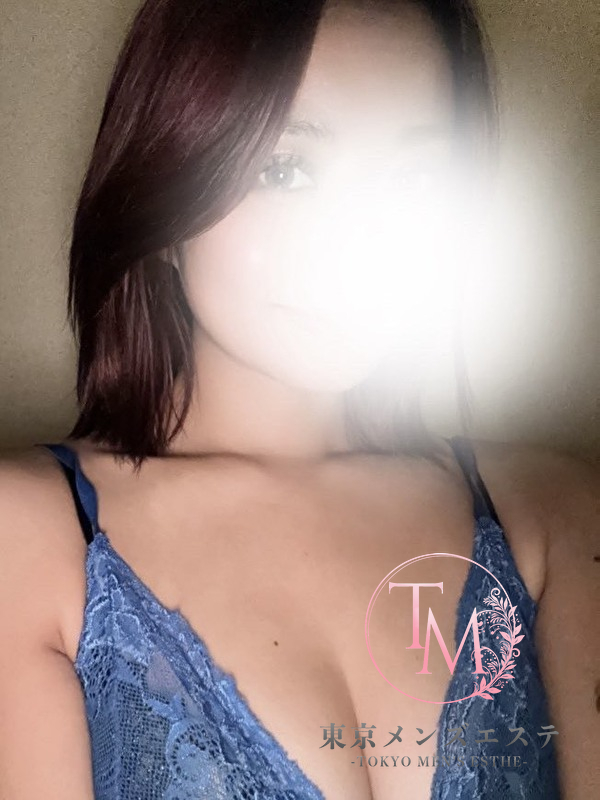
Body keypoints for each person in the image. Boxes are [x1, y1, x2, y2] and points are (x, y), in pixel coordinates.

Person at [0, 0, 598, 798]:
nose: (360, 236)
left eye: (417, 178)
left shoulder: (555, 515)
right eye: (285, 169)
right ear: (164, 192)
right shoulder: (29, 541)